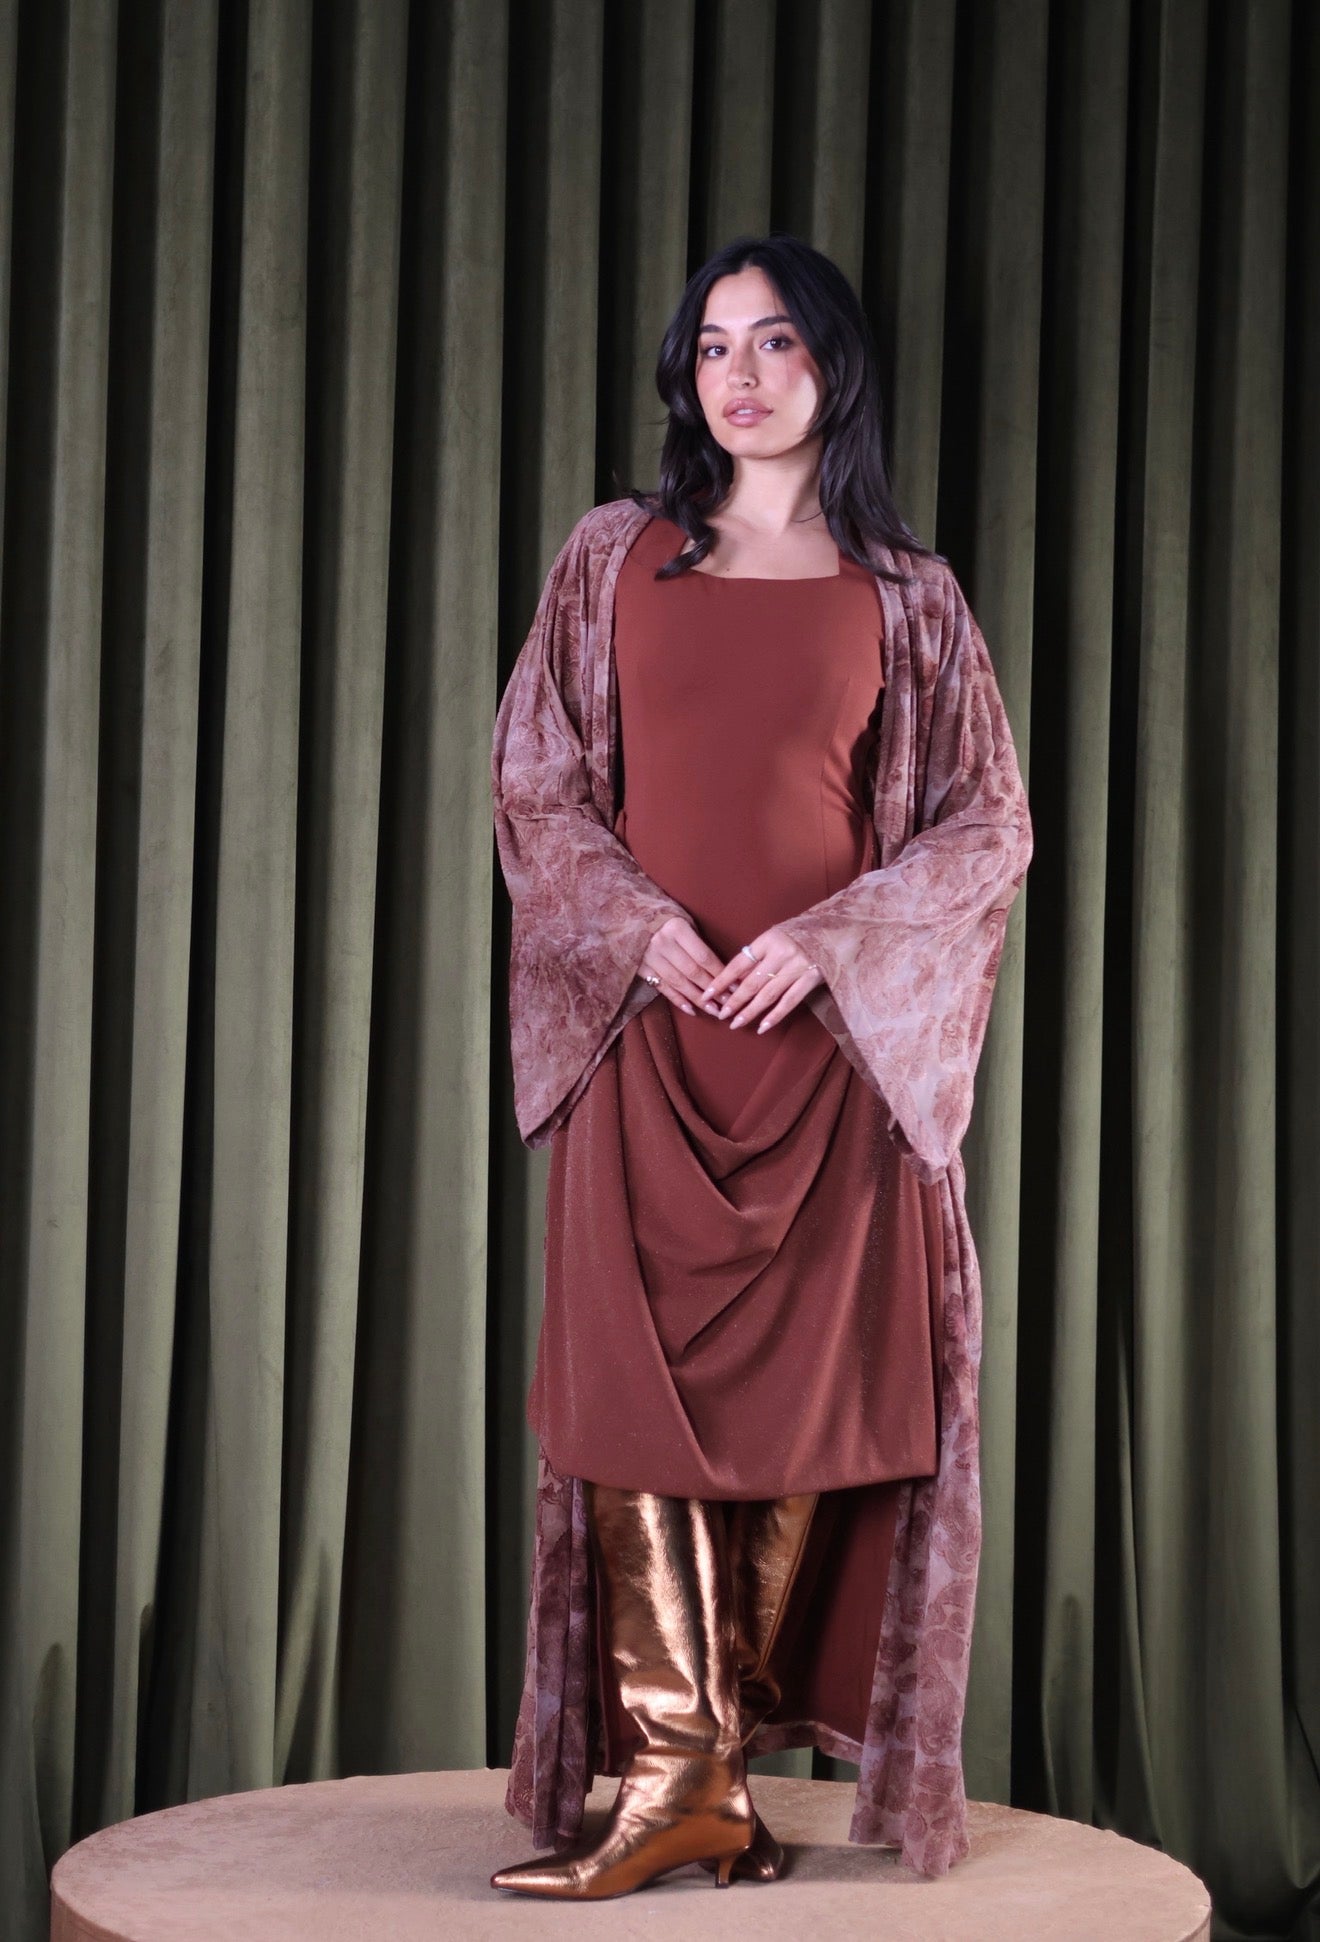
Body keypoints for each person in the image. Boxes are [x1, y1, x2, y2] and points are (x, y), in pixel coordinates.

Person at [488, 233, 1033, 1900]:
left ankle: (708, 1777)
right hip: (645, 1044)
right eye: (714, 344)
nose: (739, 373)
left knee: (801, 1413)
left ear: (834, 366)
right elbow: (535, 783)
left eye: (776, 340)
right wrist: (637, 930)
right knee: (625, 1402)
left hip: (827, 1068)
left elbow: (986, 826)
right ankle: (674, 1775)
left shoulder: (911, 598)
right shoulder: (613, 558)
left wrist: (836, 942)